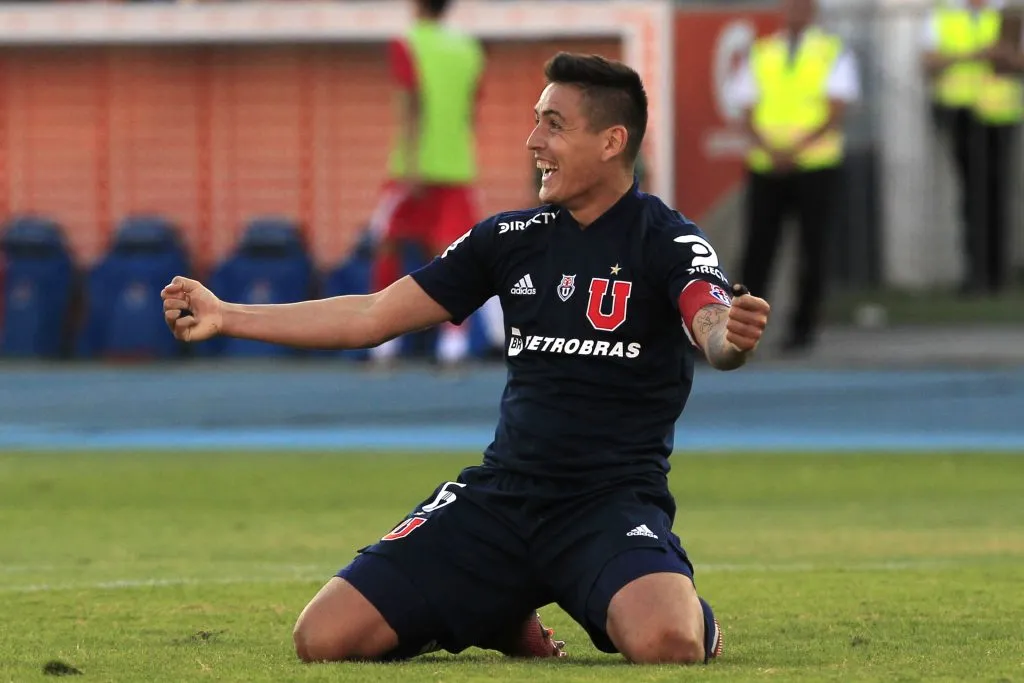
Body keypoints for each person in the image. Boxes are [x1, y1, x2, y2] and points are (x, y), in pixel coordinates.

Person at [161, 52, 771, 665]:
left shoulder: (668, 239)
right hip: (501, 500)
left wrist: (731, 340)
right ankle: (500, 611)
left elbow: (712, 324)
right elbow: (372, 316)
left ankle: (686, 610)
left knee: (669, 644)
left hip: (608, 504)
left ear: (613, 141)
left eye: (554, 124)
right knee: (323, 639)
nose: (533, 140)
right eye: (536, 121)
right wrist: (228, 315)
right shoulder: (508, 239)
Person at [368, 0, 503, 367]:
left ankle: (382, 342)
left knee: (385, 243)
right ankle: (453, 344)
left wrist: (412, 164)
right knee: (454, 255)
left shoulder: (407, 42)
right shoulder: (469, 49)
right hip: (458, 167)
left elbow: (411, 104)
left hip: (415, 166)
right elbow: (471, 113)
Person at [731, 0, 860, 353]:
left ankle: (802, 329)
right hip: (767, 164)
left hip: (815, 164)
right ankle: (741, 331)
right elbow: (745, 106)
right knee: (758, 249)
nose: (796, 12)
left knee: (812, 249)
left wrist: (794, 149)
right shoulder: (762, 52)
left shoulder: (831, 51)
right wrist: (770, 149)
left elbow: (837, 108)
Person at [920, 0, 1012, 295]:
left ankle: (997, 275)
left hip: (998, 113)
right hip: (959, 112)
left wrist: (1000, 58)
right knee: (972, 194)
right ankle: (976, 272)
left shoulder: (1006, 12)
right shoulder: (944, 13)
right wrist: (978, 55)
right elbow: (929, 62)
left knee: (996, 194)